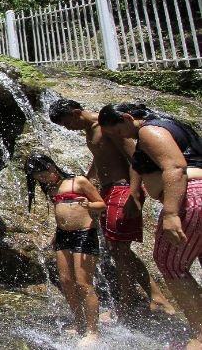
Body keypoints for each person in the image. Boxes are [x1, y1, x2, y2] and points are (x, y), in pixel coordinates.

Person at [49, 99, 174, 319]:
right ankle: (154, 297)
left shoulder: (107, 126)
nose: (68, 128)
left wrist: (134, 195)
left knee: (119, 250)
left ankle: (130, 305)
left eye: (67, 123)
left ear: (77, 112)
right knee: (118, 250)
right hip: (109, 189)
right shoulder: (91, 129)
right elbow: (101, 157)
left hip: (122, 189)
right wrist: (88, 178)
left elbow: (135, 157)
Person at [98, 103, 202, 350]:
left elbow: (175, 167)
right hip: (197, 193)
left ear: (126, 118)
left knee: (170, 263)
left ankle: (199, 336)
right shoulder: (170, 124)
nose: (119, 138)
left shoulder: (149, 130)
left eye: (116, 131)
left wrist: (171, 212)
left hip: (190, 197)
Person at [24, 154, 107, 347]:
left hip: (84, 234)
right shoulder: (52, 189)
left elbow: (101, 204)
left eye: (45, 174)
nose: (45, 179)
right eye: (39, 178)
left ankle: (93, 331)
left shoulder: (78, 182)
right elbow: (60, 215)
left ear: (52, 166)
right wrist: (53, 237)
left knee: (83, 284)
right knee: (65, 281)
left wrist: (90, 205)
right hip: (63, 236)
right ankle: (79, 322)